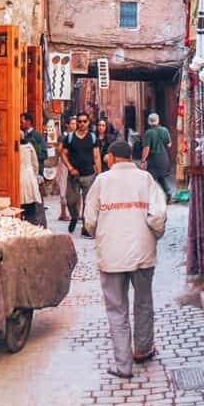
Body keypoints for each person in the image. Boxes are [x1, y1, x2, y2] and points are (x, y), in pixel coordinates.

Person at [84, 140, 166, 377]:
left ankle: (123, 365)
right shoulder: (146, 179)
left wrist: (98, 233)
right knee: (143, 303)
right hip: (142, 253)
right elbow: (158, 215)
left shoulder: (101, 181)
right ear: (130, 157)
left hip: (111, 255)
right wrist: (153, 236)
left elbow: (89, 220)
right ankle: (142, 349)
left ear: (111, 157)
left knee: (116, 309)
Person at [61, 112, 100, 237]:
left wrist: (99, 174)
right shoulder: (70, 138)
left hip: (89, 174)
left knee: (88, 202)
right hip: (74, 175)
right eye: (80, 121)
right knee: (71, 201)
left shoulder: (93, 138)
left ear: (88, 123)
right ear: (77, 123)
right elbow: (63, 154)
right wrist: (70, 168)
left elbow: (97, 156)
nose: (82, 124)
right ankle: (74, 216)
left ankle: (86, 227)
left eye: (84, 121)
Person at [141, 113, 176, 202]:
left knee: (150, 179)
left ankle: (149, 199)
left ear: (149, 122)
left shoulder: (149, 133)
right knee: (161, 177)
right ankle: (168, 194)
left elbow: (146, 148)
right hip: (164, 157)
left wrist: (143, 160)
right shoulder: (164, 130)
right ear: (158, 120)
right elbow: (169, 144)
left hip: (154, 159)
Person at [19, 134, 46, 227]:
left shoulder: (16, 149)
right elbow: (35, 164)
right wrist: (35, 175)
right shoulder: (29, 147)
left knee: (20, 204)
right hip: (29, 178)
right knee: (30, 205)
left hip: (20, 178)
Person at [55, 116, 77, 222]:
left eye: (75, 123)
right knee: (63, 187)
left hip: (75, 163)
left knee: (76, 188)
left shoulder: (78, 136)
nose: (74, 125)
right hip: (64, 164)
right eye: (72, 123)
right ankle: (63, 213)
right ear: (67, 125)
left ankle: (77, 212)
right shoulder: (63, 137)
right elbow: (59, 151)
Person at [20, 113, 47, 178]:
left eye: (21, 122)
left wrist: (31, 156)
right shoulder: (21, 135)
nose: (20, 124)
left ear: (28, 122)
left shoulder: (37, 137)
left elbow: (44, 154)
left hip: (35, 172)